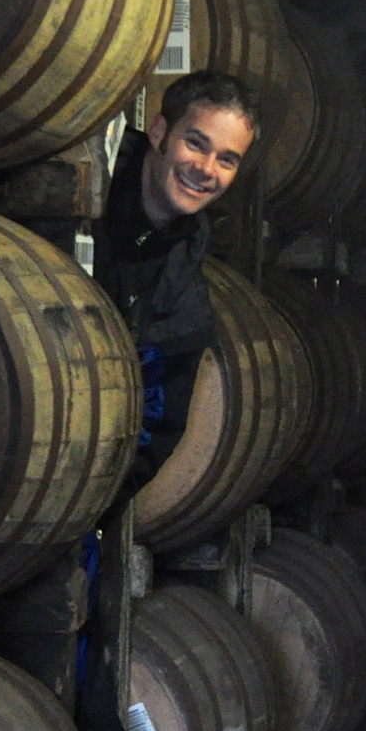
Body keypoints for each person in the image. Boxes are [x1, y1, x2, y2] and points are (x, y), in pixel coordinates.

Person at [94, 71, 259, 492]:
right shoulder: (82, 184)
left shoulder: (184, 292)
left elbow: (158, 428)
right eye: (196, 143)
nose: (205, 169)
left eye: (227, 159)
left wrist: (90, 499)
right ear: (159, 130)